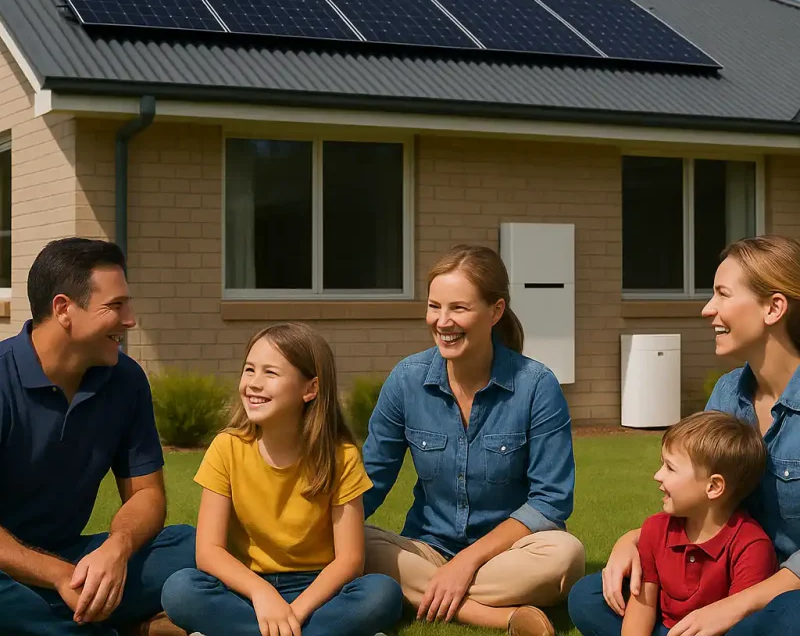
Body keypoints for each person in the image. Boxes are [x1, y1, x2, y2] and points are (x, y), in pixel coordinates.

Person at [568, 234, 800, 636]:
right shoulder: (727, 394)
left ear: (773, 307)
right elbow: (701, 494)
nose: (708, 309)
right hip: (718, 570)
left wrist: (734, 607)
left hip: (785, 589)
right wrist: (635, 540)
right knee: (592, 595)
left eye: (723, 295)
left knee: (787, 617)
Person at [361, 244, 586, 636]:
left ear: (495, 311)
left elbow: (551, 501)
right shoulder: (406, 380)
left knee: (566, 556)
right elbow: (370, 479)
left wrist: (466, 564)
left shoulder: (536, 386)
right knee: (350, 544)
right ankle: (498, 615)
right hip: (427, 547)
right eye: (435, 306)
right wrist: (309, 536)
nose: (442, 321)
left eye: (459, 308)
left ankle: (425, 592)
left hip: (508, 554)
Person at [0, 237, 195, 636]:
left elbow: (146, 495)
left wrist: (115, 551)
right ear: (63, 309)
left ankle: (75, 620)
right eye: (115, 306)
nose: (130, 320)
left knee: (196, 545)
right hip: (11, 568)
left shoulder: (126, 380)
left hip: (76, 561)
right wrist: (57, 576)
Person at [160, 322, 404, 636]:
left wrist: (294, 612)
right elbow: (208, 552)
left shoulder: (341, 457)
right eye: (249, 370)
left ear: (310, 389)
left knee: (382, 594)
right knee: (180, 590)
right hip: (247, 589)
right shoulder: (227, 448)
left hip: (317, 590)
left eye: (270, 373)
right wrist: (263, 594)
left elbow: (350, 560)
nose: (253, 383)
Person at [611, 411, 777, 636]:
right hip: (667, 627)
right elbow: (643, 605)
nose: (657, 475)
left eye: (670, 467)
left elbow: (741, 624)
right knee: (588, 599)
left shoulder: (751, 546)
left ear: (713, 487)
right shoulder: (655, 529)